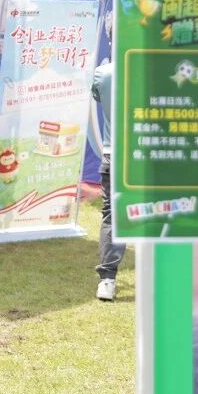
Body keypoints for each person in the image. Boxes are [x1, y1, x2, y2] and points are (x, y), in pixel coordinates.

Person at [89, 60, 126, 301]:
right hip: (149, 153)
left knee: (112, 215)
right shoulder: (157, 67)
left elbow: (98, 97)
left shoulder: (103, 73)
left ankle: (107, 280)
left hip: (114, 155)